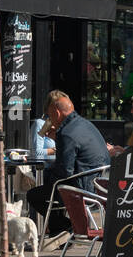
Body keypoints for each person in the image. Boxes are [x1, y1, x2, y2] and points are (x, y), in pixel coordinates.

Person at [28, 91, 111, 242]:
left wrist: (46, 174)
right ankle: (59, 233)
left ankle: (65, 228)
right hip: (98, 184)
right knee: (52, 185)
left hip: (82, 188)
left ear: (57, 112)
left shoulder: (66, 133)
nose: (49, 119)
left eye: (50, 115)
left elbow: (64, 171)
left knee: (34, 194)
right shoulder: (85, 124)